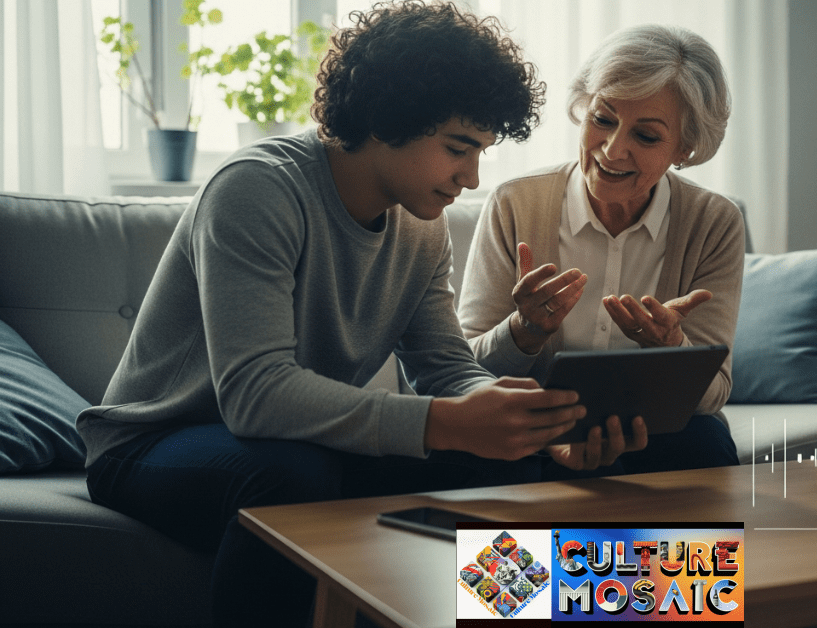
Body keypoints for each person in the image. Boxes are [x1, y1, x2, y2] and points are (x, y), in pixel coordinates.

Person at [76, 2, 580, 626]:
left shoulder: (423, 228)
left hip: (296, 439)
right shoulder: (257, 189)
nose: (471, 178)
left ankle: (538, 612)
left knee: (497, 461)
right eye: (459, 148)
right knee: (293, 477)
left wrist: (515, 420)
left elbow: (446, 369)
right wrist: (445, 423)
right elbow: (255, 396)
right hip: (149, 442)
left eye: (481, 152)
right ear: (387, 116)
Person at [457, 23, 744, 478]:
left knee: (706, 442)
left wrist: (670, 347)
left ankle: (655, 553)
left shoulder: (715, 222)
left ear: (685, 148)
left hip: (651, 437)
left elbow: (713, 395)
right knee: (460, 464)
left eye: (646, 137)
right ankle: (561, 554)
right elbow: (463, 371)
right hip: (530, 438)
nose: (612, 150)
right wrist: (524, 331)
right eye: (603, 120)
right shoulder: (515, 203)